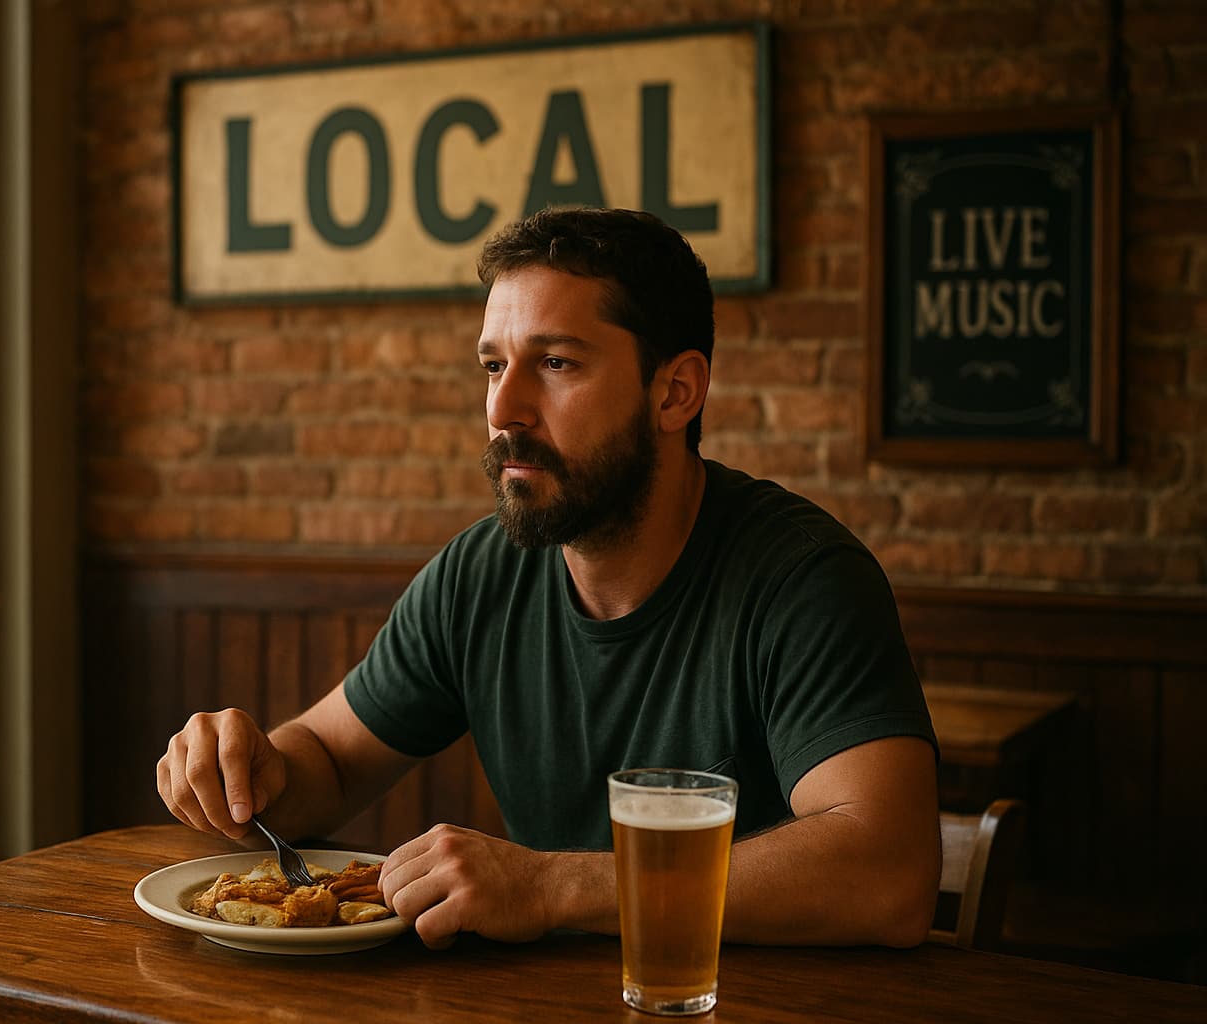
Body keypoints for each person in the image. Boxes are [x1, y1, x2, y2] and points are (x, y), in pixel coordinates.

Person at [157, 207, 940, 950]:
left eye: (556, 363)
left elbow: (890, 874)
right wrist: (249, 768)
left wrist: (552, 887)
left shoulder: (802, 579)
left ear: (675, 392)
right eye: (494, 365)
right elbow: (327, 763)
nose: (505, 406)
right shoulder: (482, 572)